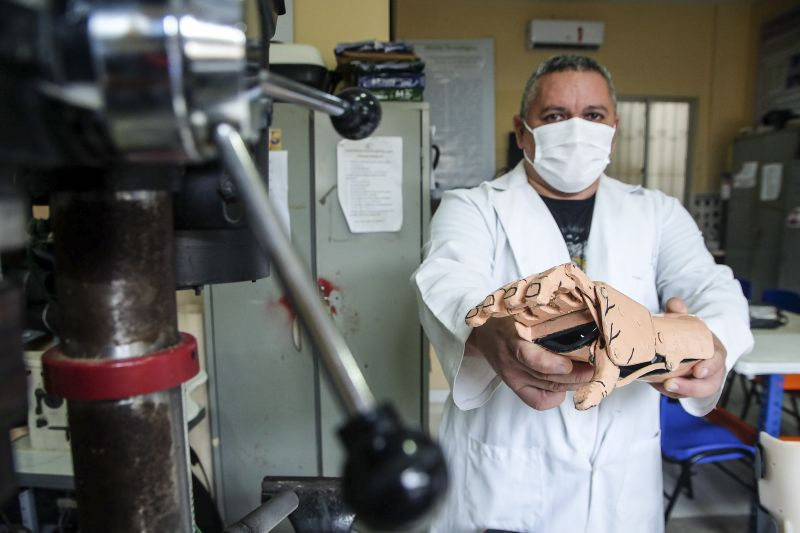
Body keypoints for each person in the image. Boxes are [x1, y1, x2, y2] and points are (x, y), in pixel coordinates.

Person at [412, 55, 753, 533]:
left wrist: (711, 344)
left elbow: (710, 286)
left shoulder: (656, 213)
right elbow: (447, 278)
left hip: (622, 486)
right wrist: (491, 331)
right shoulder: (475, 207)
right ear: (522, 130)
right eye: (554, 116)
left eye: (593, 115)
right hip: (507, 478)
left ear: (613, 127)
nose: (576, 130)